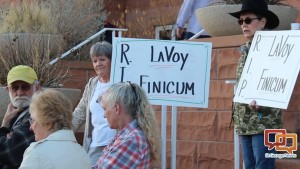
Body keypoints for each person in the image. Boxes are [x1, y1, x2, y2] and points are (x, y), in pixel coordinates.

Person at [229, 0, 282, 169]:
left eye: (248, 20)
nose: (243, 25)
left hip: (266, 123)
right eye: (240, 21)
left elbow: (280, 83)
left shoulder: (274, 48)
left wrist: (263, 101)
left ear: (263, 22)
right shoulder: (245, 49)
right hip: (245, 123)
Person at [94, 82, 161, 168]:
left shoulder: (131, 140)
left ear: (116, 108)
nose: (104, 115)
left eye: (105, 109)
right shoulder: (128, 136)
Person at [19, 89, 91, 169]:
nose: (31, 127)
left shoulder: (36, 153)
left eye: (33, 120)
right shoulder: (82, 153)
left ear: (48, 123)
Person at [72, 41, 116, 166]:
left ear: (112, 60)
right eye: (95, 61)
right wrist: (64, 131)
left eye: (102, 59)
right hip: (95, 145)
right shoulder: (92, 84)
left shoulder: (121, 83)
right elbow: (80, 112)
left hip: (116, 144)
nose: (98, 64)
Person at [0, 65, 40, 169]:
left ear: (37, 88)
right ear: (8, 90)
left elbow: (7, 152)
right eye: (14, 88)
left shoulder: (37, 114)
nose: (20, 92)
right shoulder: (16, 112)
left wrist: (4, 125)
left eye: (25, 87)